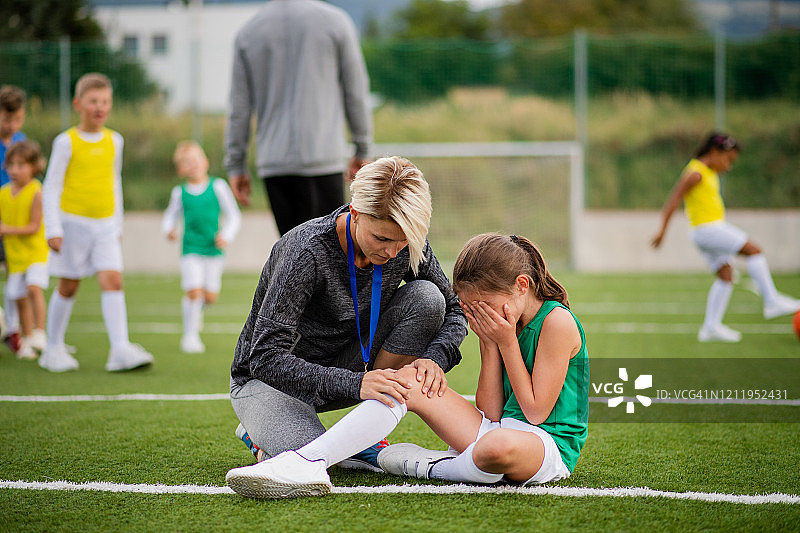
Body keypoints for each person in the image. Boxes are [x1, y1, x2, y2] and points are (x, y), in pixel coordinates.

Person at [225, 232, 589, 499]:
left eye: (484, 306)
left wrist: (505, 342)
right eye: (472, 309)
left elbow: (536, 412)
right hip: (497, 429)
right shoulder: (502, 323)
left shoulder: (556, 322)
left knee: (495, 448)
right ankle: (307, 461)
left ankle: (429, 466)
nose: (480, 316)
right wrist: (490, 344)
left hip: (545, 444)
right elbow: (490, 412)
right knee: (409, 380)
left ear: (521, 285)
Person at [228, 156, 467, 475]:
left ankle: (366, 429)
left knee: (427, 298)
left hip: (350, 367)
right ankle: (261, 430)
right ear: (355, 214)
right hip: (270, 381)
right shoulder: (306, 251)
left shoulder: (408, 242)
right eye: (382, 239)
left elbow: (455, 308)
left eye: (403, 242)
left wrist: (434, 359)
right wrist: (356, 383)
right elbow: (264, 358)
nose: (392, 252)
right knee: (316, 458)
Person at [224, 0, 373, 235]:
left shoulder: (248, 32)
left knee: (292, 250)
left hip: (275, 164)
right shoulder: (335, 22)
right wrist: (362, 149)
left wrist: (236, 165)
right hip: (324, 158)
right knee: (333, 250)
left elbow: (239, 108)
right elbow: (355, 93)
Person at [40, 72, 154, 373]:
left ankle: (119, 349)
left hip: (106, 227)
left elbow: (114, 181)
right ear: (78, 104)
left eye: (105, 101)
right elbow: (51, 186)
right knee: (69, 285)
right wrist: (53, 228)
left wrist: (117, 225)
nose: (99, 107)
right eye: (93, 101)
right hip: (71, 225)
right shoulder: (65, 141)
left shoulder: (115, 140)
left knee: (113, 280)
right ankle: (52, 348)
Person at [651, 132, 800, 342]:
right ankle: (771, 300)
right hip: (707, 229)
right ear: (714, 152)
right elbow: (673, 200)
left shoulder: (707, 171)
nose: (728, 166)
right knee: (754, 251)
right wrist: (662, 232)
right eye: (728, 160)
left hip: (704, 232)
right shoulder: (696, 173)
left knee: (725, 275)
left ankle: (710, 328)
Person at [162, 140, 241, 354]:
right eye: (187, 162)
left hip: (214, 250)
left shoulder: (218, 186)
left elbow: (234, 215)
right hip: (190, 249)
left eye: (196, 160)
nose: (193, 165)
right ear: (180, 169)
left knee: (209, 297)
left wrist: (226, 235)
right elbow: (170, 216)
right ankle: (190, 336)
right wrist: (168, 230)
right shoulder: (179, 192)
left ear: (205, 161)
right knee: (194, 291)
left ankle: (194, 309)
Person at [0, 141, 49, 360]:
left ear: (33, 167)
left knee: (33, 288)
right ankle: (27, 339)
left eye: (21, 165)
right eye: (11, 165)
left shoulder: (36, 192)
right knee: (18, 298)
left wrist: (5, 229)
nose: (15, 170)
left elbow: (34, 227)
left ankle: (40, 333)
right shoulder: (3, 193)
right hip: (15, 256)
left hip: (35, 253)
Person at [0, 85, 29, 354]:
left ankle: (13, 330)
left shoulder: (21, 143)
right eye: (7, 119)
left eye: (17, 119)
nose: (12, 125)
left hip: (16, 223)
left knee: (16, 277)